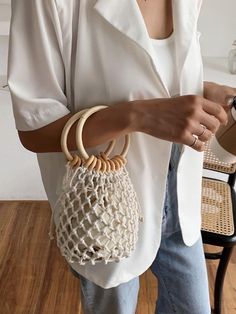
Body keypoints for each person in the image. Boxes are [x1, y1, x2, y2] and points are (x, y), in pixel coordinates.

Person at [7, 0, 235, 313]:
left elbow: (153, 72)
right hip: (105, 207)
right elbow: (34, 130)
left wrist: (201, 90)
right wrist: (137, 116)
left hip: (180, 194)